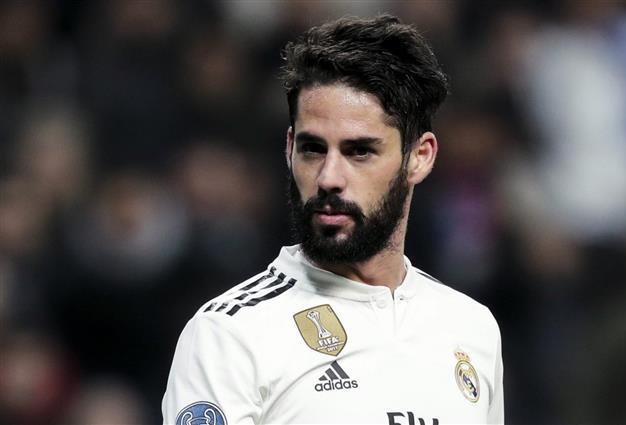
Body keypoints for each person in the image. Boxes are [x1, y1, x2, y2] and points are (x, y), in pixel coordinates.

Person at [162, 15, 504, 424]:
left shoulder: (472, 328)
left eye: (359, 152)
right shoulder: (231, 336)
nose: (328, 178)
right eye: (313, 149)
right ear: (289, 147)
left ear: (419, 157)